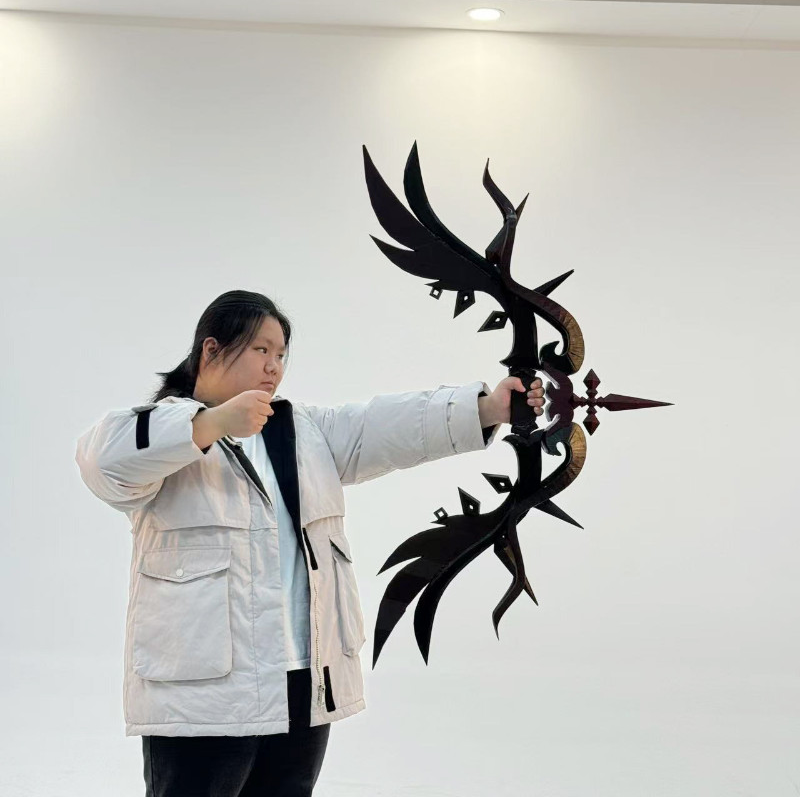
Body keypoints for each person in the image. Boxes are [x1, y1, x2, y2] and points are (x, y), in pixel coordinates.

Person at [74, 289, 545, 797]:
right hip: (204, 698)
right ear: (210, 349)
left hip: (303, 681)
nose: (273, 366)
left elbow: (382, 425)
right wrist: (212, 423)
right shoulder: (162, 434)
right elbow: (102, 460)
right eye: (261, 349)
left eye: (281, 355)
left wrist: (487, 408)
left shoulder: (302, 432)